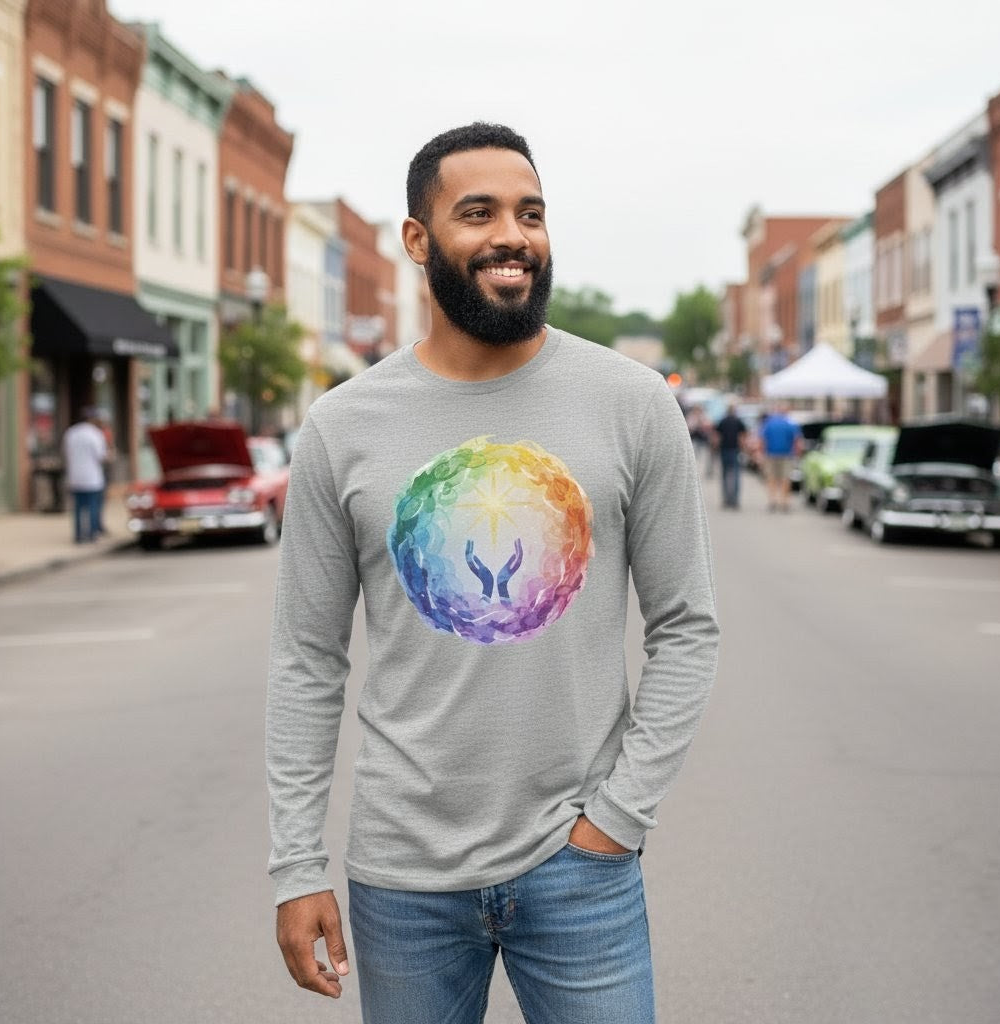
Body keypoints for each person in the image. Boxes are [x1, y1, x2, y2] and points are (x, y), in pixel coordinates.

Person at [266, 122, 720, 1023]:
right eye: (478, 213)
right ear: (418, 240)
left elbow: (687, 627)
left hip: (580, 869)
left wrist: (617, 820)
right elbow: (306, 659)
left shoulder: (631, 403)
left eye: (531, 213)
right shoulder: (343, 426)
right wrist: (295, 865)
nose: (513, 234)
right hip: (402, 879)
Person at [61, 407, 108, 544]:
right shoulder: (95, 434)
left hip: (75, 476)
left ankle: (78, 535)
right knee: (93, 506)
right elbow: (101, 456)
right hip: (92, 477)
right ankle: (92, 533)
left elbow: (66, 453)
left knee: (77, 508)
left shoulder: (71, 432)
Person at [760, 403, 801, 511]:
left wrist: (762, 453)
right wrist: (797, 453)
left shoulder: (769, 423)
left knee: (771, 478)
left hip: (770, 454)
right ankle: (784, 502)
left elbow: (762, 439)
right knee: (785, 479)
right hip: (786, 455)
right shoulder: (790, 423)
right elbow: (797, 440)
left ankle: (773, 500)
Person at [711, 401, 748, 508]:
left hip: (724, 450)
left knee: (725, 475)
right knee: (736, 475)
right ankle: (735, 500)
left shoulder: (722, 421)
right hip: (735, 450)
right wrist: (743, 448)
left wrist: (715, 448)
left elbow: (716, 436)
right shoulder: (738, 421)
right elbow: (743, 436)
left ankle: (726, 499)